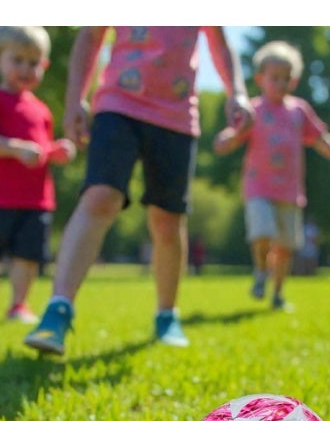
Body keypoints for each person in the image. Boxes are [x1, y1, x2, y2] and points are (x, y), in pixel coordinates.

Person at [25, 27, 253, 355]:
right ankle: (57, 311)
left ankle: (166, 314)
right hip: (118, 104)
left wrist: (237, 92)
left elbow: (219, 42)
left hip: (176, 117)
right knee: (101, 196)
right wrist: (76, 99)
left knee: (168, 219)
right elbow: (90, 37)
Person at [213, 40, 330, 310]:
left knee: (286, 247)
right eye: (274, 78)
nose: (280, 83)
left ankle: (277, 294)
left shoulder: (299, 110)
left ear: (294, 80)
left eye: (286, 79)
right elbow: (234, 136)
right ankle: (259, 271)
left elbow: (321, 138)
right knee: (262, 231)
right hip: (258, 187)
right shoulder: (252, 110)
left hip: (289, 191)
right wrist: (225, 139)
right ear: (260, 79)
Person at [0, 26, 76, 323]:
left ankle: (18, 304)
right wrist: (15, 149)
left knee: (27, 255)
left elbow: (41, 150)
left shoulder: (42, 111)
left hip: (36, 199)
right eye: (18, 60)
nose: (26, 69)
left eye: (34, 62)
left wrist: (57, 151)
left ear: (45, 66)